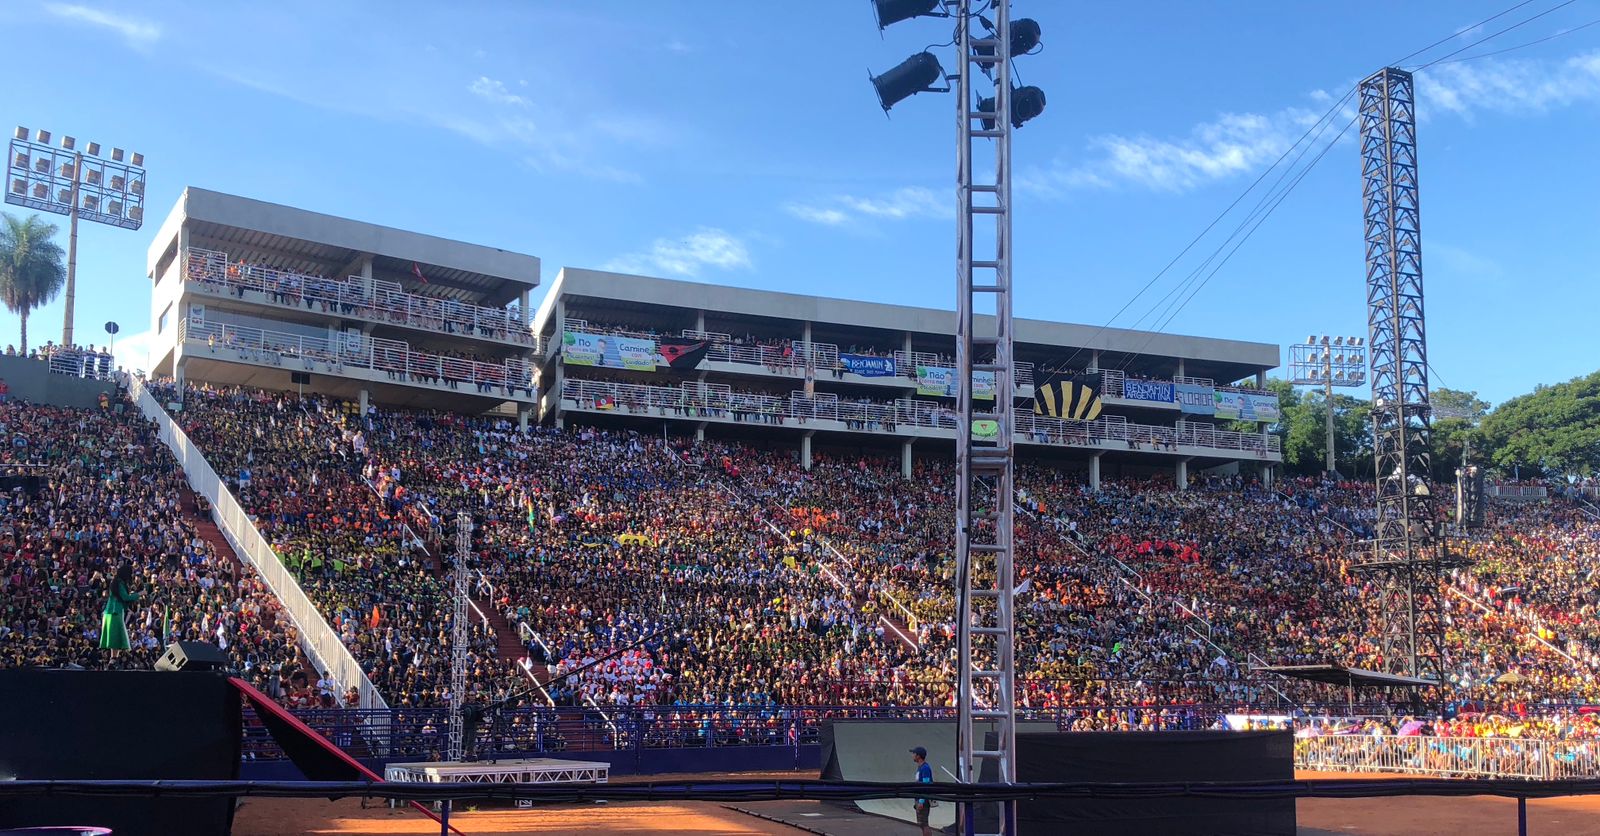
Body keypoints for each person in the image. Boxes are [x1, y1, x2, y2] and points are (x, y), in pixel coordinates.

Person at [100, 562, 140, 661]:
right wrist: (139, 594)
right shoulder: (119, 582)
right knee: (117, 636)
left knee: (114, 636)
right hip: (115, 611)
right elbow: (125, 597)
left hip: (109, 612)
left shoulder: (115, 582)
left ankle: (113, 659)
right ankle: (113, 659)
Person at [911, 745, 933, 836]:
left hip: (922, 800)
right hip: (919, 798)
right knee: (921, 823)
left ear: (918, 756)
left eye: (914, 754)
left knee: (924, 824)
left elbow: (926, 785)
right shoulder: (921, 767)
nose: (912, 756)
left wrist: (921, 801)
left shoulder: (925, 768)